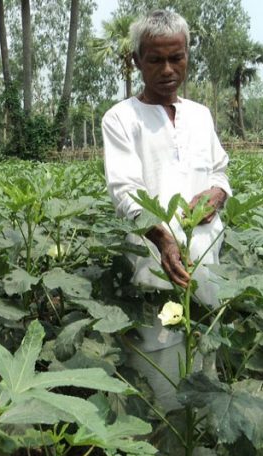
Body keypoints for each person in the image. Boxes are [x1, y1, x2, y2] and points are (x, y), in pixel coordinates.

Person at [101, 9, 232, 412]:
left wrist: (215, 195)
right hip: (155, 264)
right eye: (155, 59)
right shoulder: (122, 119)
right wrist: (163, 240)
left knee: (205, 354)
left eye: (177, 57)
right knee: (163, 359)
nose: (168, 69)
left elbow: (220, 172)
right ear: (136, 60)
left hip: (208, 257)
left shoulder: (200, 115)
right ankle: (168, 453)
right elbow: (125, 192)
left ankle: (203, 448)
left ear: (188, 56)